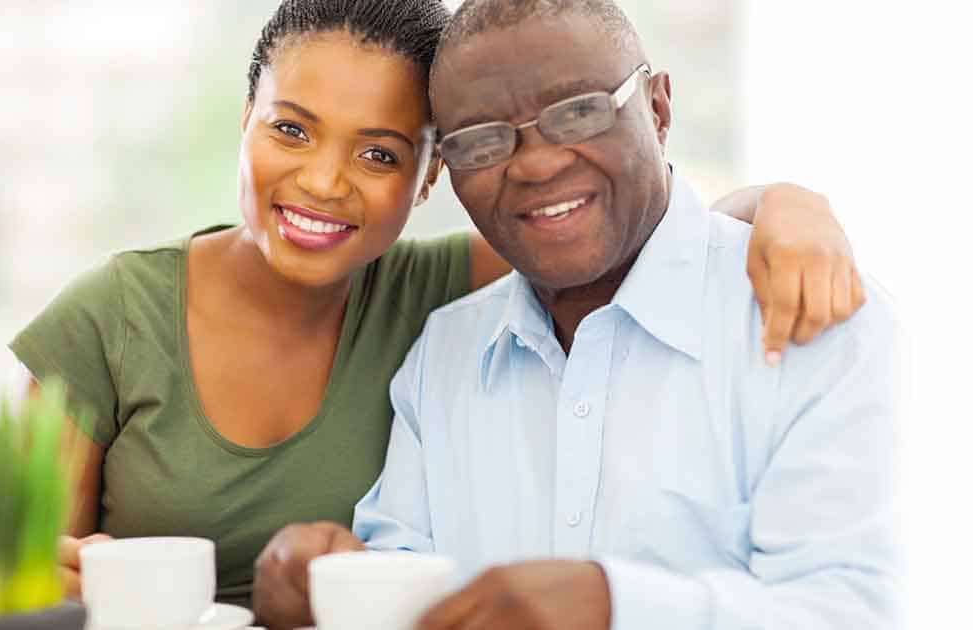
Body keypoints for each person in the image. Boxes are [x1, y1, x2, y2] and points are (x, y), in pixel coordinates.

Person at [13, 0, 866, 610]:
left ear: (431, 179)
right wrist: (43, 575)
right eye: (290, 129)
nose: (322, 181)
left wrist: (786, 204)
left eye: (379, 154)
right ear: (245, 121)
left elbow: (630, 229)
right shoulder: (115, 315)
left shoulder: (444, 293)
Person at [251, 1, 900, 628]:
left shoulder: (815, 313)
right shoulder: (444, 350)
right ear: (445, 171)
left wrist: (616, 606)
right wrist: (331, 588)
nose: (537, 163)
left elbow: (859, 608)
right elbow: (405, 574)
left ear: (658, 107)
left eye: (580, 112)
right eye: (483, 141)